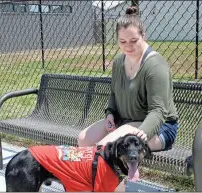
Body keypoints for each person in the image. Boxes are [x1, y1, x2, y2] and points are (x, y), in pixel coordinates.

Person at [78, 5, 179, 191]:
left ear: (144, 35)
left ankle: (114, 188)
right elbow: (115, 93)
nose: (128, 46)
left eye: (134, 40)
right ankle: (90, 184)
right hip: (125, 121)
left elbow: (159, 111)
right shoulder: (118, 61)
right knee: (83, 139)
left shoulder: (156, 66)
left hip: (159, 128)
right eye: (122, 41)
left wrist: (142, 133)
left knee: (105, 148)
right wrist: (110, 114)